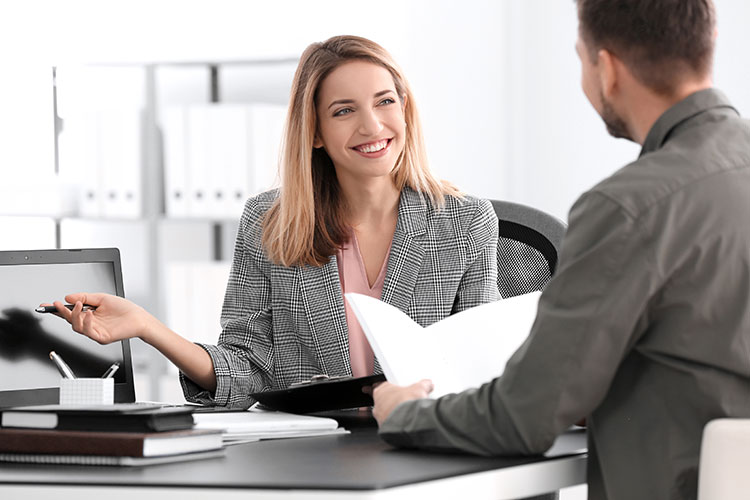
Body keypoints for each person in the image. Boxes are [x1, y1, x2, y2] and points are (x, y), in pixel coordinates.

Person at [372, 1, 750, 499]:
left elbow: (522, 418)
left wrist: (404, 414)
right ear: (710, 40)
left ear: (607, 68)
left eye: (580, 58)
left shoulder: (628, 208)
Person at [49, 35, 500, 408]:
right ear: (316, 132)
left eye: (385, 102)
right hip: (312, 451)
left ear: (404, 109)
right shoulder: (271, 222)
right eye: (344, 110)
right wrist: (148, 327)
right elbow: (246, 369)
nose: (372, 125)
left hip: (425, 444)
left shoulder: (463, 223)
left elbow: (481, 368)